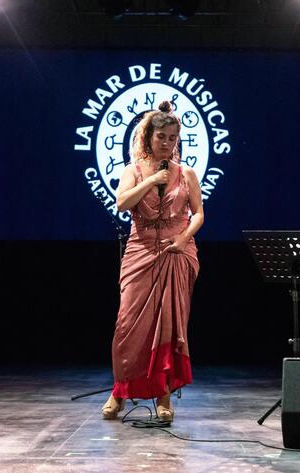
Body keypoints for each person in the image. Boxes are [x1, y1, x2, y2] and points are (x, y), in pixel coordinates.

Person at [101, 101, 205, 422]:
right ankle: (119, 392)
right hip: (141, 251)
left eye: (173, 138)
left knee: (170, 328)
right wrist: (151, 180)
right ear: (148, 137)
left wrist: (183, 239)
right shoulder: (132, 171)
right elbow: (121, 203)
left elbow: (199, 214)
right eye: (162, 137)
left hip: (176, 252)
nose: (167, 143)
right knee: (127, 326)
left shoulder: (186, 173)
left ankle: (164, 398)